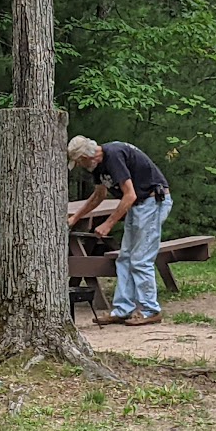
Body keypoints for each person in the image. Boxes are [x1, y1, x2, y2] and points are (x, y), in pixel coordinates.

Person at [66, 135, 172, 326]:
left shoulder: (113, 155)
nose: (80, 166)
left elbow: (129, 195)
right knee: (125, 258)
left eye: (79, 162)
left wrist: (108, 224)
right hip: (138, 206)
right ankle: (122, 309)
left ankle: (150, 310)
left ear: (85, 157)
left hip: (151, 202)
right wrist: (76, 217)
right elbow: (99, 196)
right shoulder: (98, 166)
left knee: (140, 259)